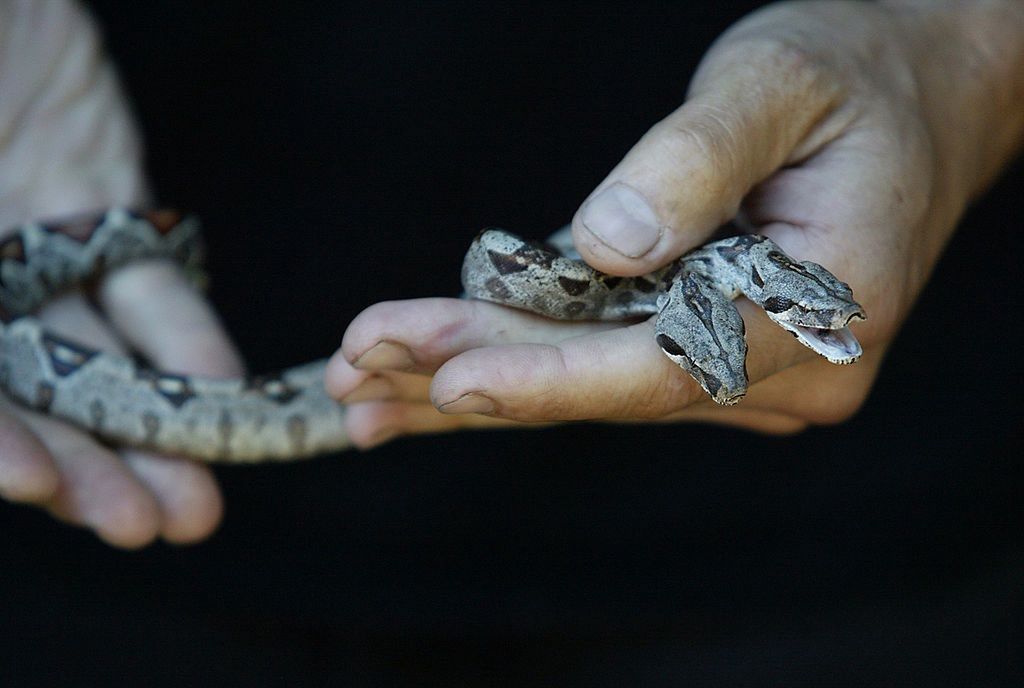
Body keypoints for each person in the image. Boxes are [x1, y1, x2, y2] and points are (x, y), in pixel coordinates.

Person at [1, 0, 1021, 548]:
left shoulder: (731, 273)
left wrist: (958, 53)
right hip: (119, 603)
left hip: (844, 549)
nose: (820, 320)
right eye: (815, 313)